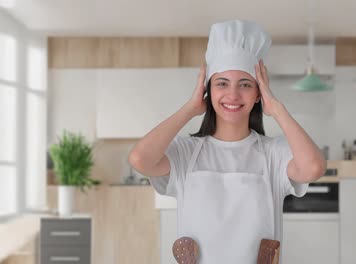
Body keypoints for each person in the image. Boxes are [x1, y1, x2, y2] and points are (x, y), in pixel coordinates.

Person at [128, 19, 326, 264]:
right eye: (222, 83)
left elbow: (313, 167)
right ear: (208, 90)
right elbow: (140, 159)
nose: (233, 95)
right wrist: (190, 108)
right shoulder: (186, 153)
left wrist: (276, 108)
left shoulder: (273, 154)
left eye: (245, 85)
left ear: (258, 94)